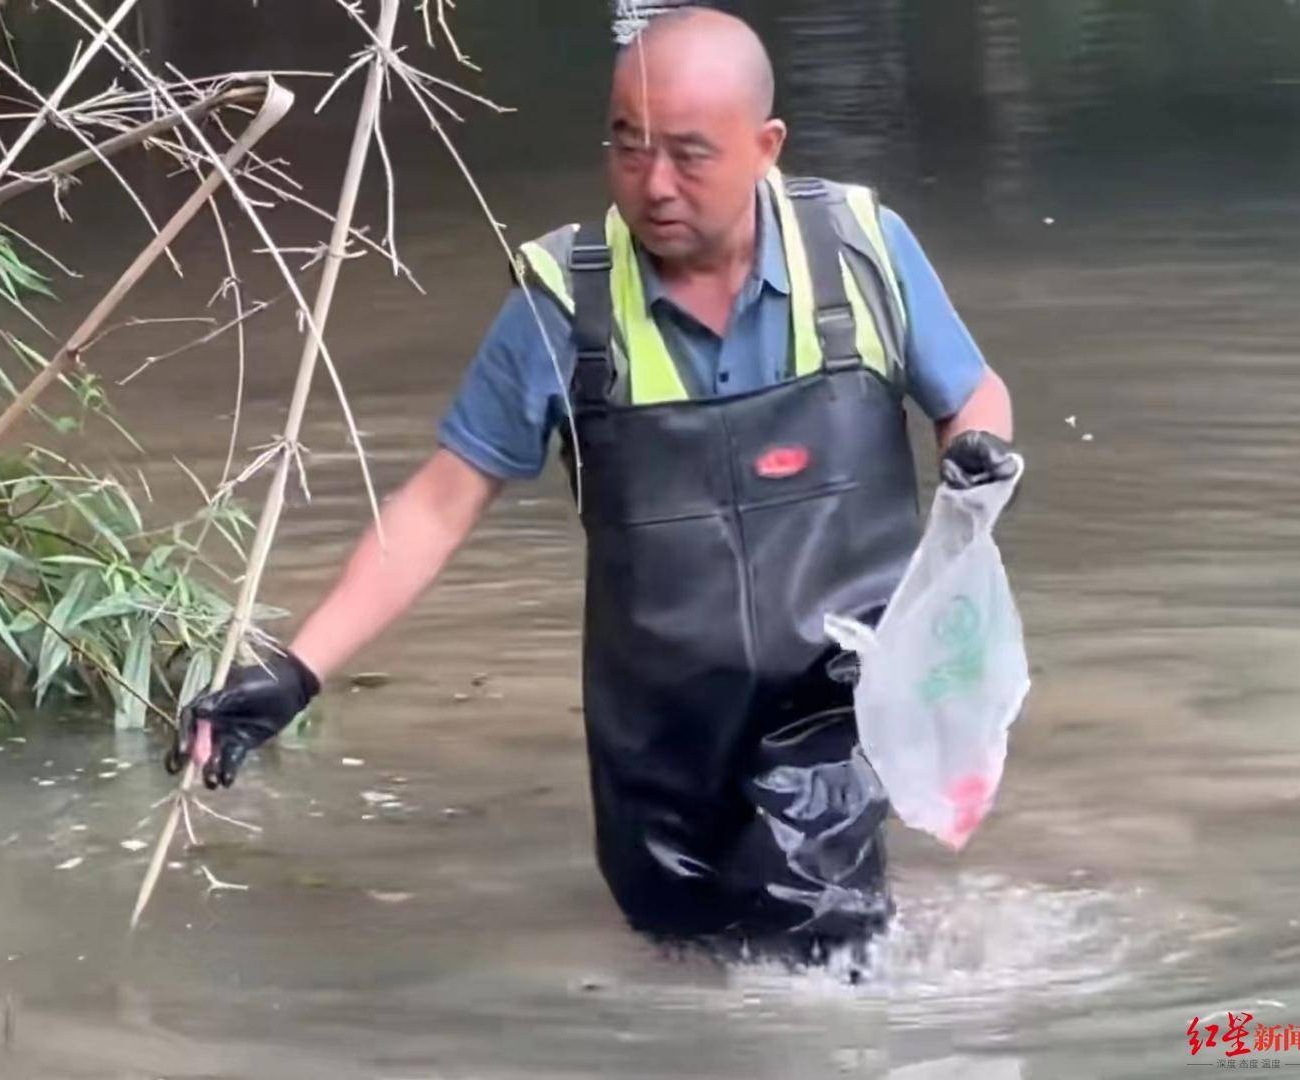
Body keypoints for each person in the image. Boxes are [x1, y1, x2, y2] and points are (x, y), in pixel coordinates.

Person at [167, 9, 1019, 963]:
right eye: (628, 147)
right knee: (682, 974)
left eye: (690, 156)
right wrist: (292, 672)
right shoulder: (562, 301)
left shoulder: (864, 249)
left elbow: (972, 392)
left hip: (834, 707)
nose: (653, 186)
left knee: (824, 961)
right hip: (657, 742)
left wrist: (976, 457)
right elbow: (440, 502)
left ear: (766, 146)